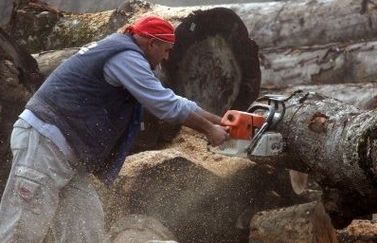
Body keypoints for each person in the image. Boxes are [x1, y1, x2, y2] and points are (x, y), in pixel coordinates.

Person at [0, 16, 229, 242]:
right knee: (22, 229)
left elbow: (172, 100)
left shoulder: (123, 51)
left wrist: (220, 121)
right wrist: (209, 129)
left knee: (86, 227)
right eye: (166, 50)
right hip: (45, 144)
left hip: (66, 155)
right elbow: (164, 105)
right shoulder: (125, 57)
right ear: (152, 43)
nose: (166, 57)